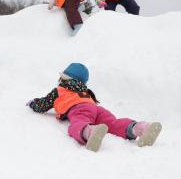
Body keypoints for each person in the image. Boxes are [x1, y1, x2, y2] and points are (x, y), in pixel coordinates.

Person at [26, 63, 162, 152]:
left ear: (64, 79)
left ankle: (89, 131)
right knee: (113, 123)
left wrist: (33, 103)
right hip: (96, 109)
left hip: (79, 109)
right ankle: (140, 128)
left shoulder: (59, 90)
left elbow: (43, 105)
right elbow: (90, 105)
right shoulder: (85, 91)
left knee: (78, 122)